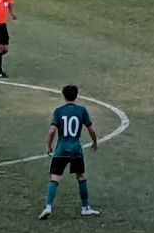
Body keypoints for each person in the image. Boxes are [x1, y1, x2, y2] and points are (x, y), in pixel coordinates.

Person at [39, 85, 100, 220]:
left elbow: (52, 131)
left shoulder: (59, 111)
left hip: (61, 149)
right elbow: (91, 129)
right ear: (76, 95)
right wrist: (95, 142)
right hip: (76, 149)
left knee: (55, 178)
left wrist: (49, 146)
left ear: (63, 95)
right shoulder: (82, 110)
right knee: (81, 177)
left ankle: (48, 206)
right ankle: (85, 208)